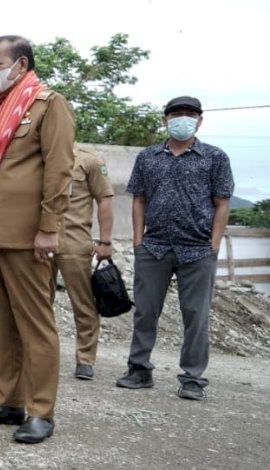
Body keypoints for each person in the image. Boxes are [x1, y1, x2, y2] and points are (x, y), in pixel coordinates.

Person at [0, 36, 75, 444]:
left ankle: (41, 411)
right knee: (2, 325)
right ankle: (7, 400)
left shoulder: (48, 103)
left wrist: (49, 227)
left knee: (35, 324)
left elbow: (60, 169)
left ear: (20, 64)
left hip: (26, 235)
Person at [116, 96, 233, 401]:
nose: (184, 119)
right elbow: (139, 199)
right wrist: (138, 241)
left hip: (197, 250)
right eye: (177, 114)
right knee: (145, 311)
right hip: (153, 247)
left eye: (190, 114)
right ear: (165, 120)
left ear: (200, 121)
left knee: (196, 315)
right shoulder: (148, 157)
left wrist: (214, 245)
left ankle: (192, 378)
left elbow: (222, 203)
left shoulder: (215, 157)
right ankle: (139, 369)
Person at [53, 146, 115, 380]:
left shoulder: (89, 160)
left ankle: (85, 359)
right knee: (36, 302)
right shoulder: (38, 154)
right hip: (37, 241)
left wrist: (105, 241)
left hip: (74, 242)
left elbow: (105, 200)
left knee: (84, 304)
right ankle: (38, 354)